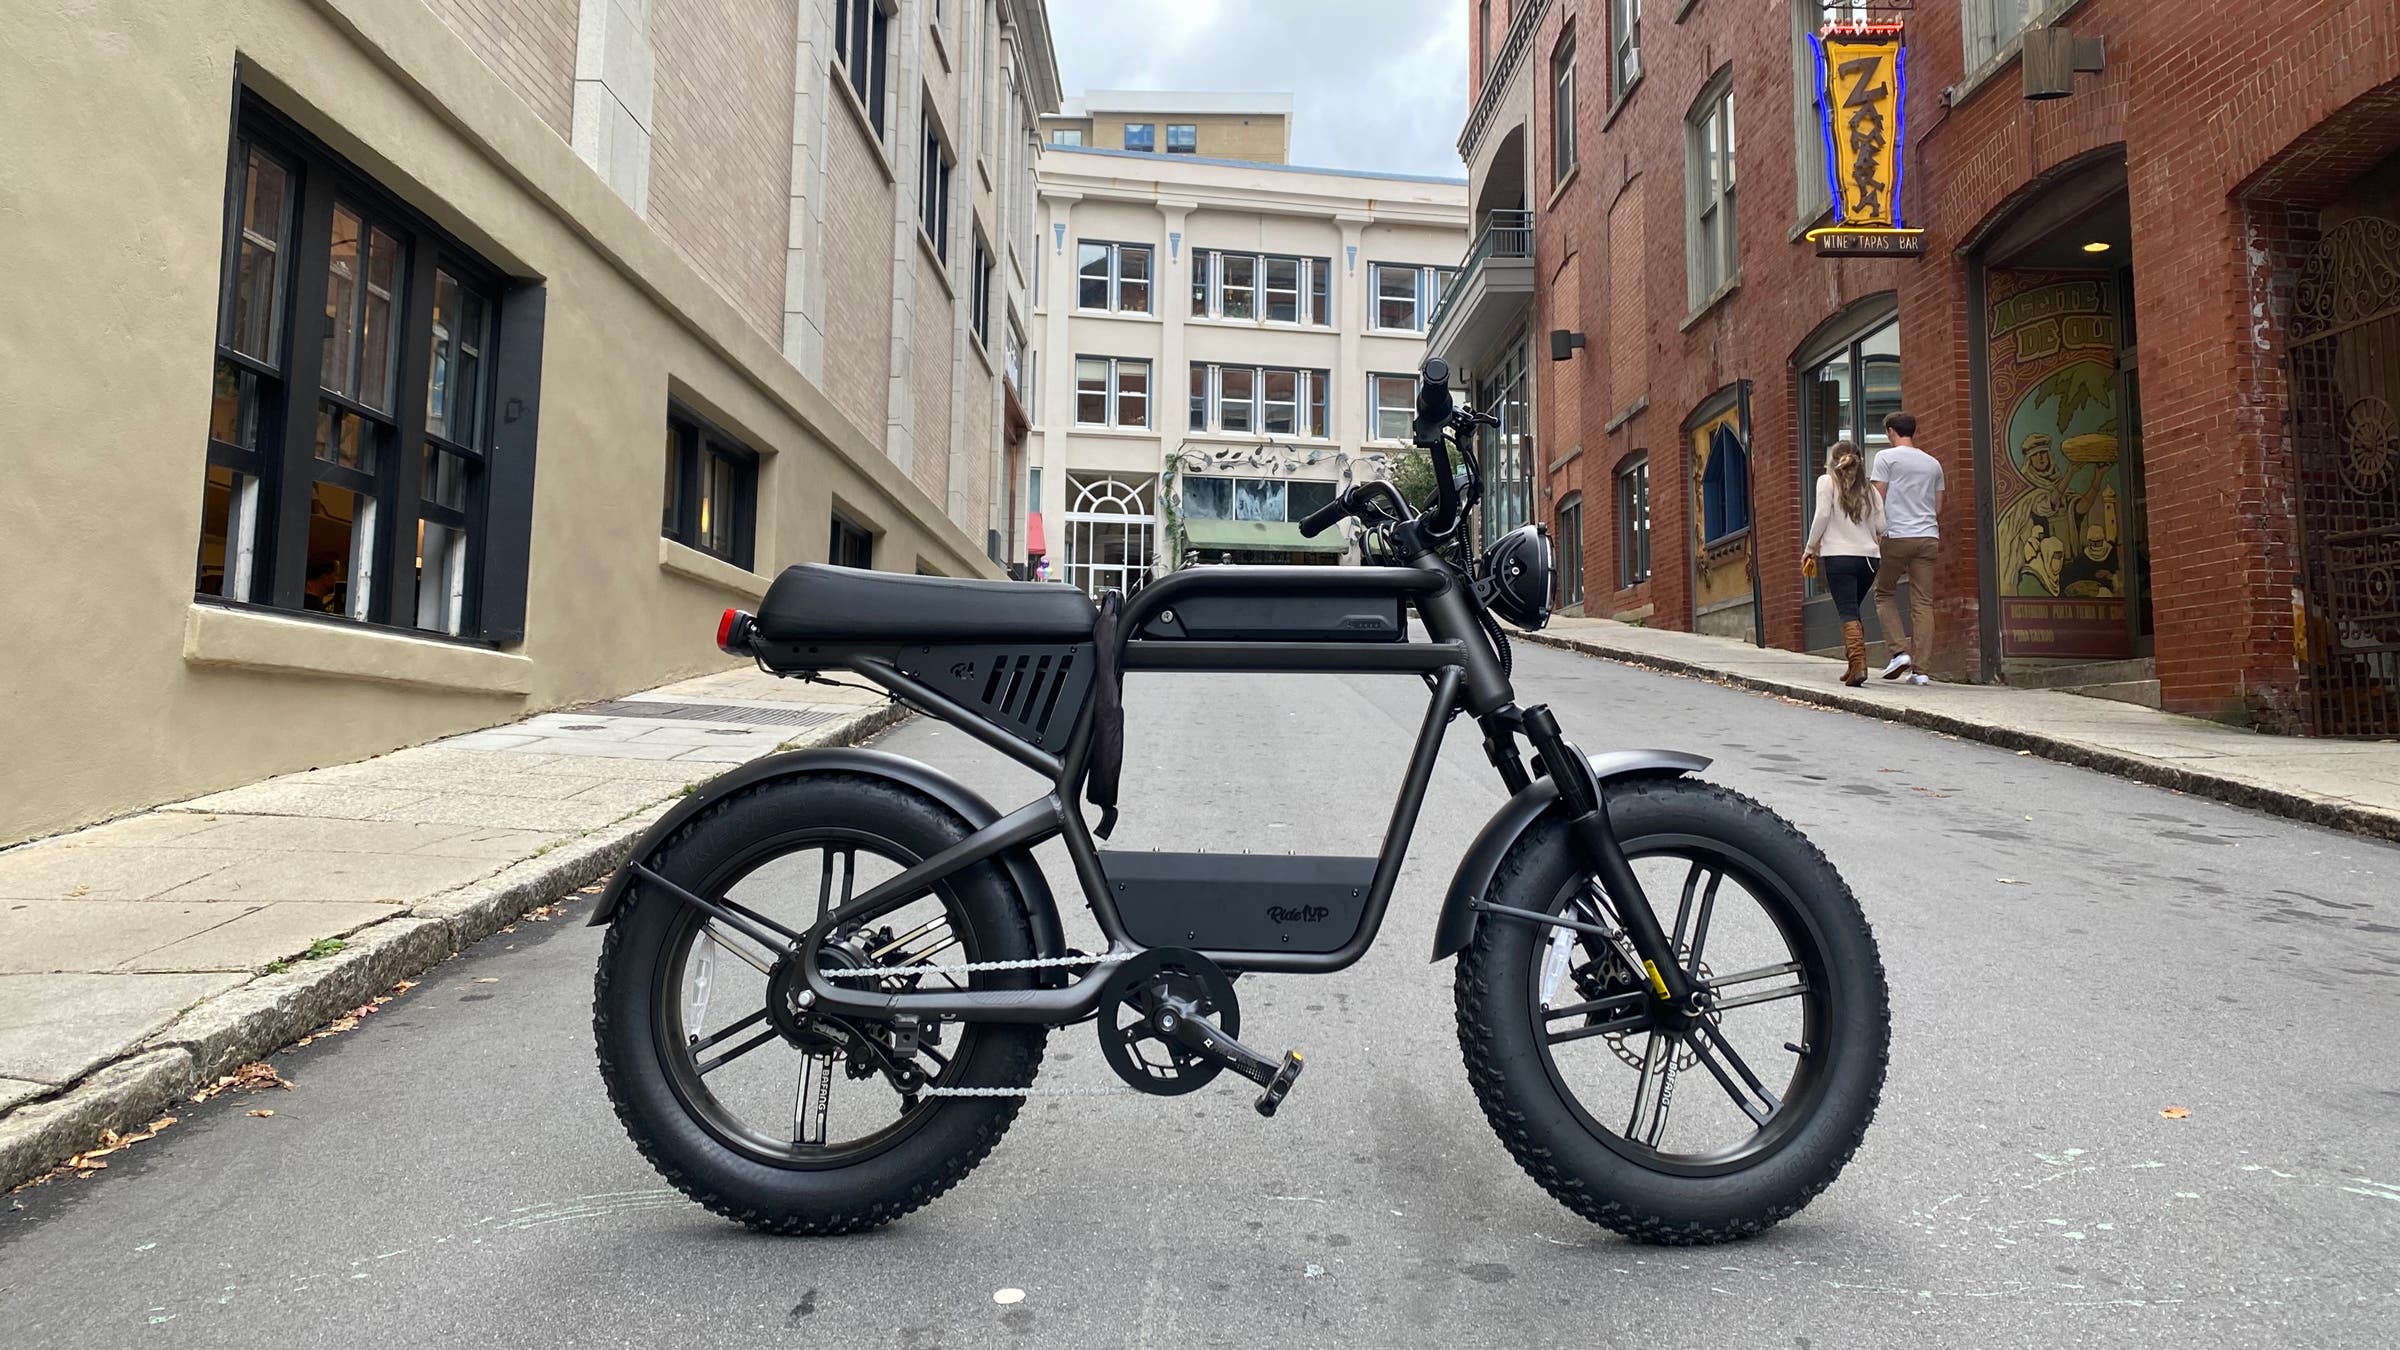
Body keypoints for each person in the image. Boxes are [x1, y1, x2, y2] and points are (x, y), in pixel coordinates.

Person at [1803, 441, 1885, 687]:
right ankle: (1853, 665)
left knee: (1847, 609)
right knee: (1853, 608)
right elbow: (1883, 527)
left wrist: (1809, 549)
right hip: (1870, 560)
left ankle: (1859, 664)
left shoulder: (1827, 482)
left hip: (1839, 558)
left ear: (1833, 461)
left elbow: (1822, 515)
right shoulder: (1870, 489)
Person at [1869, 411, 1943, 685]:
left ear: (1890, 431)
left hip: (1897, 535)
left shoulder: (1885, 458)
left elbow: (1878, 498)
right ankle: (1921, 672)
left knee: (1884, 592)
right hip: (1928, 537)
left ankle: (1899, 652)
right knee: (1923, 602)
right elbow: (1938, 507)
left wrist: (1875, 534)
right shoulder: (1933, 464)